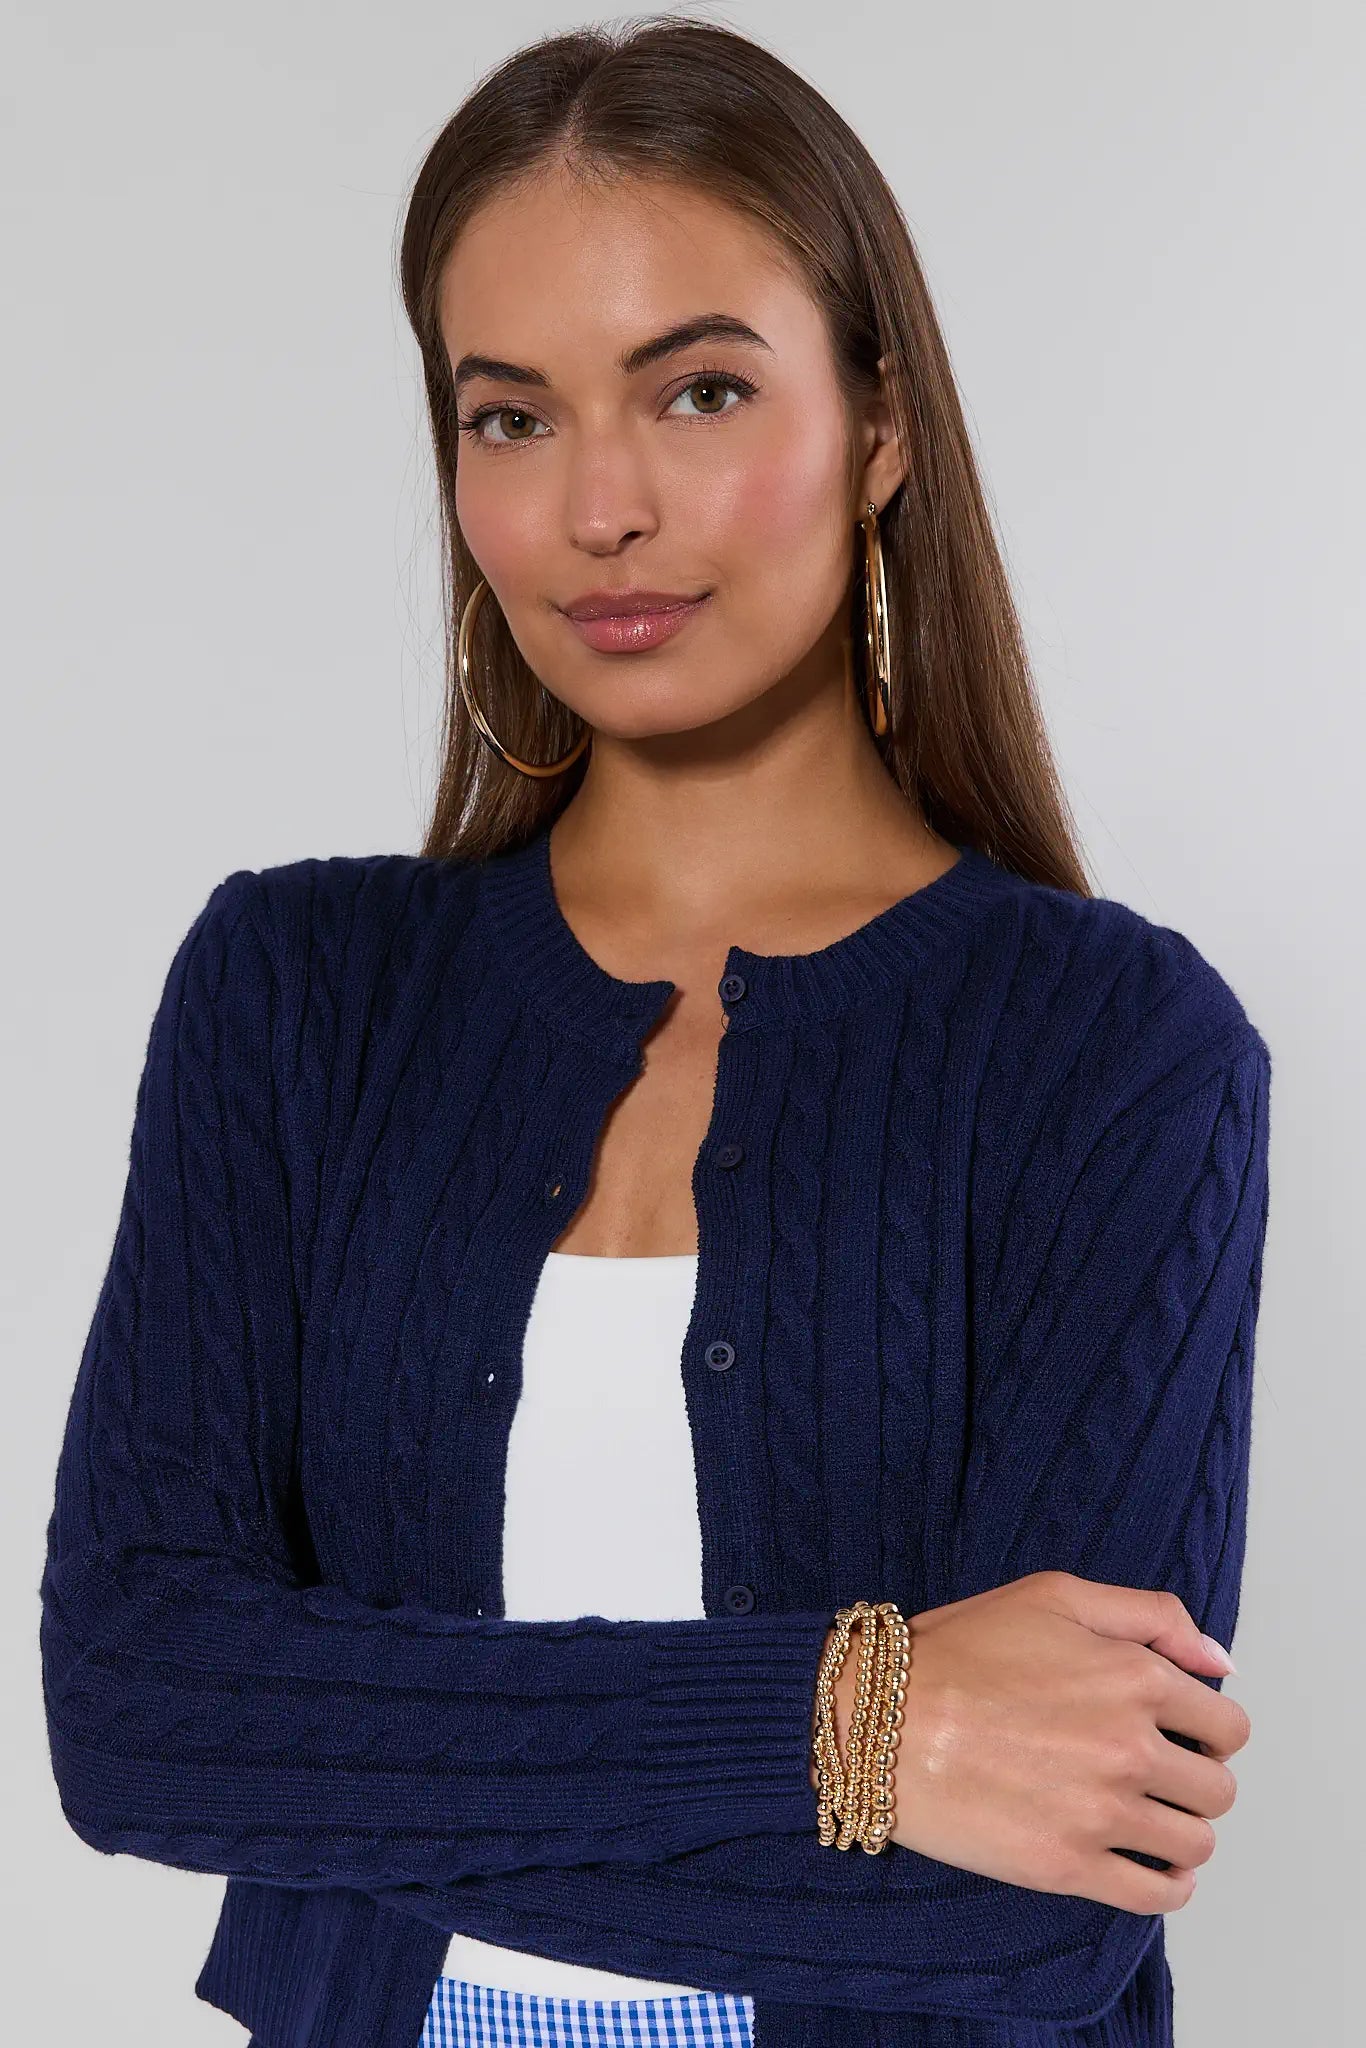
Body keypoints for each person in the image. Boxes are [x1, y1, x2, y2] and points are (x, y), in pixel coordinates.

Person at [39, 19, 1272, 2048]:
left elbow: (1039, 1915)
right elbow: (142, 1715)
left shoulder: (1109, 1050)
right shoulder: (295, 994)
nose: (597, 506)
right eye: (508, 416)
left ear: (878, 422)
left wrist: (344, 1753)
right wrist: (852, 1714)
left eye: (696, 389)